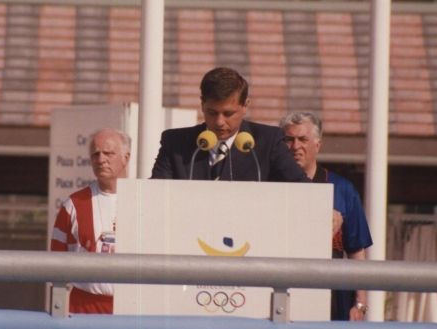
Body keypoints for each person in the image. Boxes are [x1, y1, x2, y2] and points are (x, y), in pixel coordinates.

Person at [280, 112, 373, 321]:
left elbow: (357, 253)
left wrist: (360, 303)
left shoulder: (342, 189)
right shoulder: (270, 187)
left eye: (303, 139)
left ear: (318, 145)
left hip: (333, 298)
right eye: (289, 139)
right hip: (282, 294)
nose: (295, 147)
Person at [151, 67, 309, 183]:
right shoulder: (175, 143)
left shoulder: (268, 142)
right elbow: (155, 193)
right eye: (212, 113)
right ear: (202, 104)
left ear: (245, 105)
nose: (219, 122)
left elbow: (304, 188)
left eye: (228, 114)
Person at [50, 128, 131, 314]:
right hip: (84, 307)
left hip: (132, 309)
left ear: (125, 158)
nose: (101, 159)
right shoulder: (73, 205)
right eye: (95, 154)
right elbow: (54, 263)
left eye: (108, 153)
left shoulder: (144, 200)